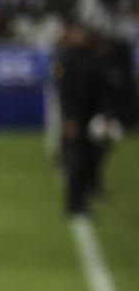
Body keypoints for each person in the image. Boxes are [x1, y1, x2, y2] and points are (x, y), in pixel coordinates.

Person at [52, 21, 106, 216]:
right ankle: (74, 204)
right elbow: (64, 91)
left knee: (91, 159)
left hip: (91, 117)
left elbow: (100, 88)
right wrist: (69, 119)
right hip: (75, 118)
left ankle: (84, 197)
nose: (80, 36)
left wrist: (103, 114)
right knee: (77, 161)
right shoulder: (67, 58)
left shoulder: (93, 56)